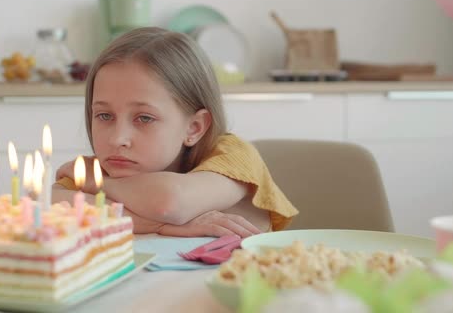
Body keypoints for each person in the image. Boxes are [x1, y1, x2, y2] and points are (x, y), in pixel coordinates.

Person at [53, 27, 297, 237]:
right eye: (104, 116)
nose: (118, 139)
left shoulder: (236, 157)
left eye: (144, 118)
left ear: (194, 127)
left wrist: (96, 184)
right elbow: (47, 205)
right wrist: (163, 226)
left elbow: (169, 202)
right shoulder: (112, 165)